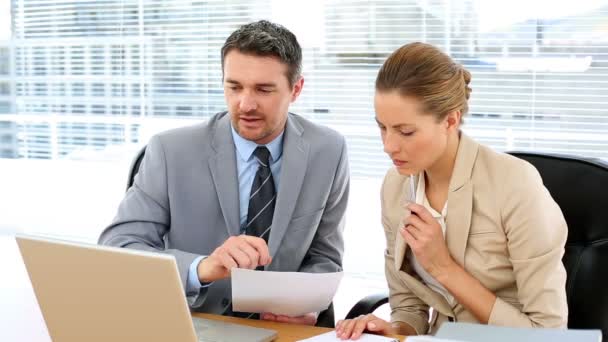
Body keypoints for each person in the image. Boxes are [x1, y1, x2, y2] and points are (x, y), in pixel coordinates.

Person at [99, 20, 349, 326]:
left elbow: (325, 257)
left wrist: (305, 304)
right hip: (195, 324)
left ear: (296, 89)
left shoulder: (328, 151)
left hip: (282, 329)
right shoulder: (170, 151)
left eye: (263, 89)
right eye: (234, 87)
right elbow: (118, 250)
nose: (245, 104)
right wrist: (201, 267)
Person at [336, 42, 567, 339]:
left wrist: (444, 267)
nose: (389, 146)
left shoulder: (515, 185)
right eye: (383, 127)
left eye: (406, 131)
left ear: (450, 119)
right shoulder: (396, 187)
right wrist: (394, 331)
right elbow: (409, 306)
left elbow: (548, 334)